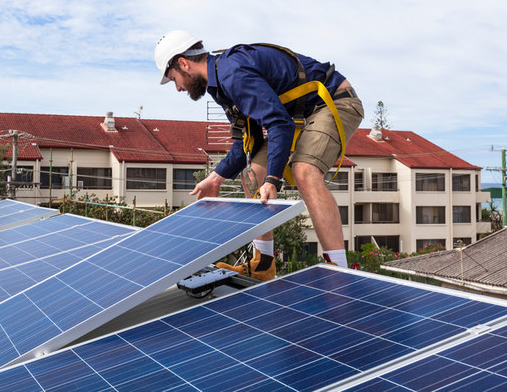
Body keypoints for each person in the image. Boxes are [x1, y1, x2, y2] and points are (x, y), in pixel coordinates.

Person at [154, 30, 364, 280]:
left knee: (304, 171)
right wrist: (216, 178)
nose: (177, 88)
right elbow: (248, 140)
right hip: (296, 115)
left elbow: (278, 124)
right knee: (253, 174)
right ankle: (263, 264)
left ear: (183, 63)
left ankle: (339, 272)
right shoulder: (219, 84)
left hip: (333, 101)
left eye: (174, 78)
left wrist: (273, 180)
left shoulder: (232, 73)